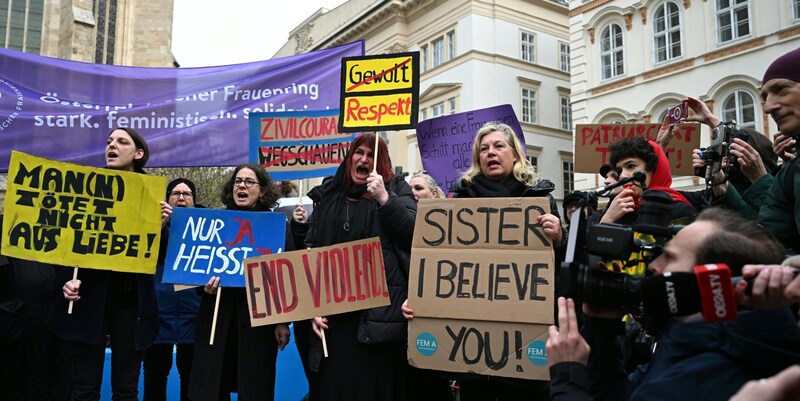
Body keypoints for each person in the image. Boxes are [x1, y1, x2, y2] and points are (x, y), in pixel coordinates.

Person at [547, 207, 800, 401]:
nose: (654, 266)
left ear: (711, 279)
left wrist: (568, 375)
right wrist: (601, 331)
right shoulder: (687, 337)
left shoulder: (698, 378)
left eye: (670, 257)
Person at [290, 133, 416, 401]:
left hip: (379, 326)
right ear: (350, 158)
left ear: (381, 162)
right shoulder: (327, 198)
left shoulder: (398, 190)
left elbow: (414, 237)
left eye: (372, 155)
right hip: (334, 327)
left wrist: (384, 197)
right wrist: (312, 307)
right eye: (359, 152)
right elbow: (310, 255)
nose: (364, 159)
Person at [445, 121, 564, 401]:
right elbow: (444, 262)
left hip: (524, 335)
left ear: (515, 154)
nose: (491, 153)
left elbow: (555, 268)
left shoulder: (538, 197)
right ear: (478, 159)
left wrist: (559, 236)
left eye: (498, 146)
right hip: (473, 335)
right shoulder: (461, 200)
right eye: (484, 149)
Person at [52, 127, 165, 400]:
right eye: (109, 141)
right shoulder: (89, 189)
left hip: (132, 304)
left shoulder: (154, 197)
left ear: (138, 153)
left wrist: (160, 227)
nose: (112, 146)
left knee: (126, 390)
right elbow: (65, 244)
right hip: (89, 301)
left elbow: (161, 259)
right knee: (84, 388)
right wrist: (66, 280)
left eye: (121, 141)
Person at [188, 164, 293, 401]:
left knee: (254, 385)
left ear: (263, 191)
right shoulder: (214, 223)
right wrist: (204, 289)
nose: (242, 186)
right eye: (237, 181)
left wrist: (282, 322)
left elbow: (286, 278)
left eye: (249, 182)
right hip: (218, 317)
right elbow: (194, 270)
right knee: (212, 386)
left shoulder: (276, 225)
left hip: (258, 324)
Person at [711, 47, 800, 253]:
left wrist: (760, 177)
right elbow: (769, 237)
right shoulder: (790, 171)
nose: (768, 107)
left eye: (782, 89)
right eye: (765, 96)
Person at [143, 178, 203, 401]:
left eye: (187, 194)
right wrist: (157, 226)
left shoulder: (206, 231)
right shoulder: (151, 225)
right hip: (159, 318)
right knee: (155, 377)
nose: (181, 197)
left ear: (194, 201)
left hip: (193, 318)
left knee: (192, 379)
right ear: (167, 199)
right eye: (175, 193)